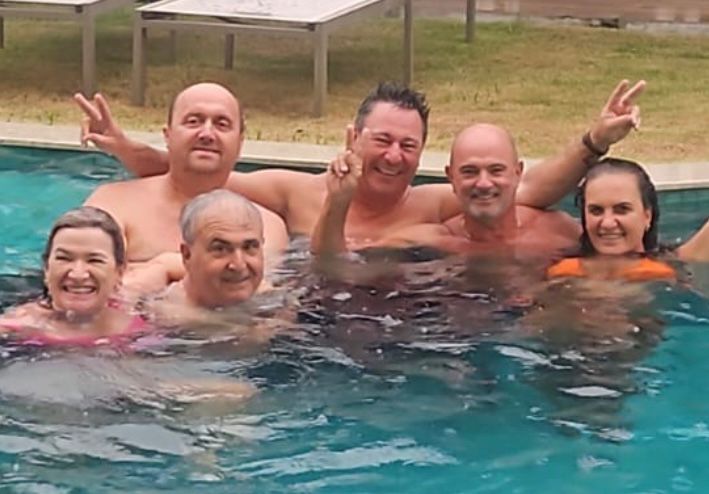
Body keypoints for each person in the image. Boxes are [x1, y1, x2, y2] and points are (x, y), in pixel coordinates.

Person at [75, 80, 644, 246]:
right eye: (382, 141)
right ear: (353, 138)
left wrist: (594, 141)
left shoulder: (434, 203)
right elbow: (203, 175)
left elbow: (524, 190)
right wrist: (126, 149)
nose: (394, 156)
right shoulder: (294, 193)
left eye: (408, 146)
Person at [80, 83, 288, 266]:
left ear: (240, 142)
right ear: (168, 135)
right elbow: (84, 276)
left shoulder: (266, 227)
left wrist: (163, 267)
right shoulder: (114, 202)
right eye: (193, 121)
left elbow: (261, 291)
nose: (207, 134)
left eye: (222, 124)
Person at [312, 123, 582, 260]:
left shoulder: (558, 230)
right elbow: (335, 262)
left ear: (518, 172)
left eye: (496, 170)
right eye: (470, 172)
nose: (484, 183)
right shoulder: (430, 241)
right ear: (450, 177)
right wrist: (338, 201)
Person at [0, 207, 147, 346]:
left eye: (94, 260)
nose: (78, 275)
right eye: (64, 258)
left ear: (119, 272)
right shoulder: (13, 330)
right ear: (46, 268)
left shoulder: (145, 320)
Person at [547, 157, 709, 281]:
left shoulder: (669, 269)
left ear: (647, 216)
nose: (608, 223)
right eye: (596, 211)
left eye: (622, 210)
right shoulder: (562, 273)